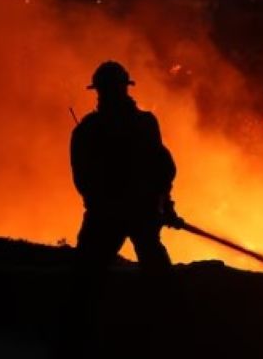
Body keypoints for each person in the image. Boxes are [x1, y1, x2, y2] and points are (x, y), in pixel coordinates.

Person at [70, 60, 183, 278]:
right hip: (133, 212)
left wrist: (164, 205)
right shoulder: (144, 123)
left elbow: (82, 178)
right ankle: (170, 309)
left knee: (86, 273)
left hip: (110, 214)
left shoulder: (88, 129)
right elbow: (163, 170)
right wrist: (162, 205)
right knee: (155, 266)